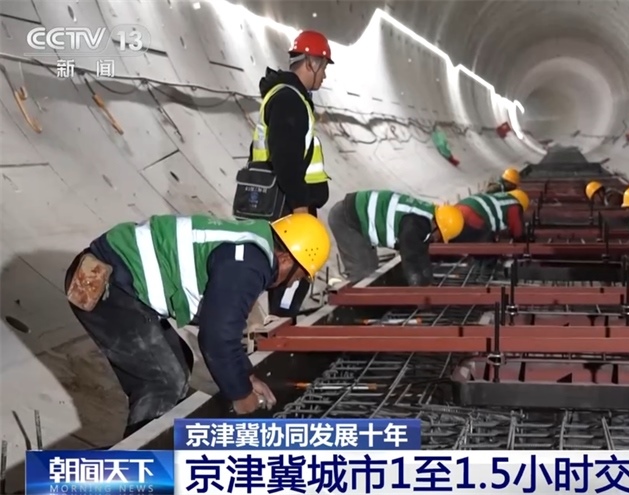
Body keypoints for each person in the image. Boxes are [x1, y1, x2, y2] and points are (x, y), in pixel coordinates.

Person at [63, 213, 332, 435]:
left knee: (180, 361)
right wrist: (241, 394)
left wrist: (246, 376)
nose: (292, 283)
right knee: (164, 380)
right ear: (285, 259)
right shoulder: (250, 264)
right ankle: (140, 468)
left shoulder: (251, 247)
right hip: (106, 281)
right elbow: (217, 337)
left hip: (118, 277)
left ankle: (150, 450)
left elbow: (226, 326)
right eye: (297, 276)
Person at [239, 30, 334, 317]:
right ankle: (281, 323)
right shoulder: (289, 100)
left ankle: (280, 321)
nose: (324, 76)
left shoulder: (289, 97)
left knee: (287, 271)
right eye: (324, 68)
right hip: (285, 208)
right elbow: (286, 159)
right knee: (295, 269)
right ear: (312, 63)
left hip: (280, 203)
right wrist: (301, 208)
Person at [327, 190, 465, 286]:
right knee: (363, 272)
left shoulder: (425, 217)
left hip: (354, 214)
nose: (437, 239)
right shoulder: (416, 224)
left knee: (370, 270)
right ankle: (355, 309)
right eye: (440, 236)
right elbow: (410, 256)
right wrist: (418, 286)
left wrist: (428, 280)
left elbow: (421, 254)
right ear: (438, 225)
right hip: (347, 218)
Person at [454, 189, 529, 242]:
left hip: (457, 210)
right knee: (486, 247)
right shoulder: (514, 205)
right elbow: (517, 231)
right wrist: (521, 240)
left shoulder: (501, 196)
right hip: (474, 214)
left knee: (456, 237)